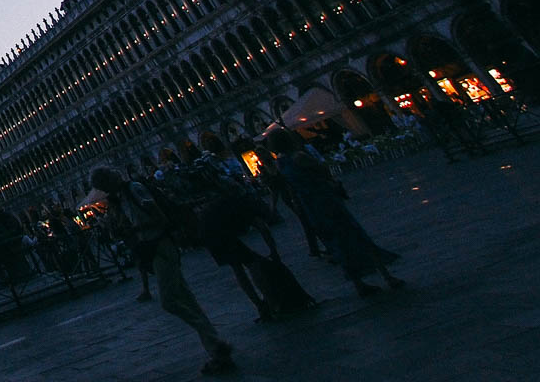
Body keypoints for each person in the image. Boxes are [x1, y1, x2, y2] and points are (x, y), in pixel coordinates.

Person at [91, 166, 236, 375]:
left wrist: (136, 230)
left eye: (103, 186)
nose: (104, 191)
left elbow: (160, 218)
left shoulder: (135, 190)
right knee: (187, 300)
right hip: (156, 248)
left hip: (162, 246)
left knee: (169, 302)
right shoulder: (122, 198)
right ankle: (217, 349)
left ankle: (217, 343)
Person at [267, 130, 404, 297]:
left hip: (310, 205)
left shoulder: (280, 164)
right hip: (324, 198)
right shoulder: (299, 157)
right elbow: (323, 170)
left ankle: (358, 284)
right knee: (356, 235)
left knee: (338, 244)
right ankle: (387, 276)